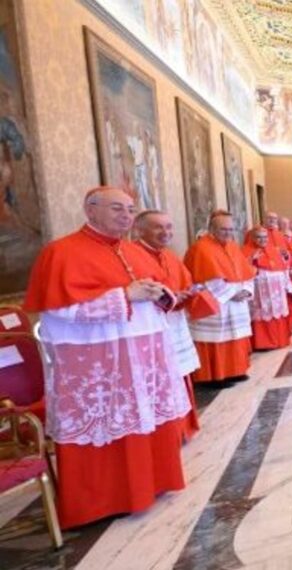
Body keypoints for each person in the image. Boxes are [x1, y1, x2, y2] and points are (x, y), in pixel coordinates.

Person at [23, 187, 192, 529]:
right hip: (97, 362)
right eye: (117, 209)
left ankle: (152, 483)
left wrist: (163, 296)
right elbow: (59, 311)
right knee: (103, 422)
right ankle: (102, 500)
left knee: (144, 416)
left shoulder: (134, 251)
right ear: (91, 210)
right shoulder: (61, 253)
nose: (126, 216)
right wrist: (125, 295)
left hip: (143, 358)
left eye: (130, 210)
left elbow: (162, 294)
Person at [134, 210, 209, 441]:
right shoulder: (132, 255)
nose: (165, 233)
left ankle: (184, 428)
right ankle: (170, 434)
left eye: (168, 227)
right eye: (158, 227)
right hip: (153, 328)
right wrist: (173, 297)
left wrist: (188, 294)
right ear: (140, 230)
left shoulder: (170, 255)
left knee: (180, 373)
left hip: (174, 323)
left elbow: (185, 281)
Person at [184, 210, 256, 383]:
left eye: (231, 230)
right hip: (216, 302)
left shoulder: (232, 246)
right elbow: (207, 278)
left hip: (236, 301)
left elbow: (245, 271)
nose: (228, 233)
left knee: (235, 335)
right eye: (224, 230)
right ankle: (214, 377)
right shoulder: (201, 247)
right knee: (217, 338)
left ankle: (236, 370)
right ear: (212, 229)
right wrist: (232, 293)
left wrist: (247, 289)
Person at [243, 227, 292, 350]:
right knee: (262, 312)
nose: (263, 240)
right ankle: (264, 343)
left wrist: (285, 257)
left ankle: (279, 340)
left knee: (276, 311)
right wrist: (252, 260)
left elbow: (283, 265)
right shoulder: (246, 250)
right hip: (260, 291)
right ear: (253, 238)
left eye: (265, 237)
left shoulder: (273, 249)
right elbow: (242, 269)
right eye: (259, 237)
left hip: (276, 290)